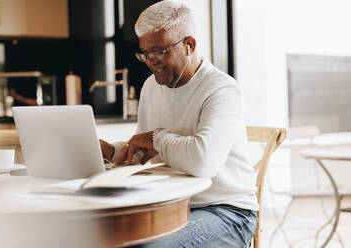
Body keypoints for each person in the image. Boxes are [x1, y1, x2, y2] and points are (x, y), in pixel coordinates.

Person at [99, 1, 258, 247]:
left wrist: (156, 138)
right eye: (145, 53)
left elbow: (203, 161)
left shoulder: (221, 89)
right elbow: (146, 151)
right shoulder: (151, 87)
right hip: (170, 206)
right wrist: (112, 151)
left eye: (159, 51)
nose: (151, 61)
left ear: (189, 45)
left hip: (226, 211)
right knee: (101, 237)